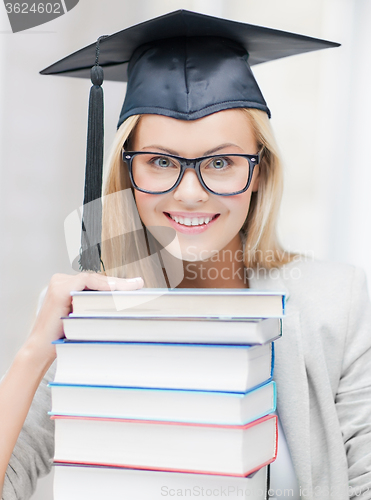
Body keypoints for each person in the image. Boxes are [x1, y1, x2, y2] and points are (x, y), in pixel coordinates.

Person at [1, 10, 371, 500]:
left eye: (220, 162)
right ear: (125, 174)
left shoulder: (337, 305)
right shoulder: (90, 319)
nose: (190, 193)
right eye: (160, 161)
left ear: (259, 170)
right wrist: (33, 355)